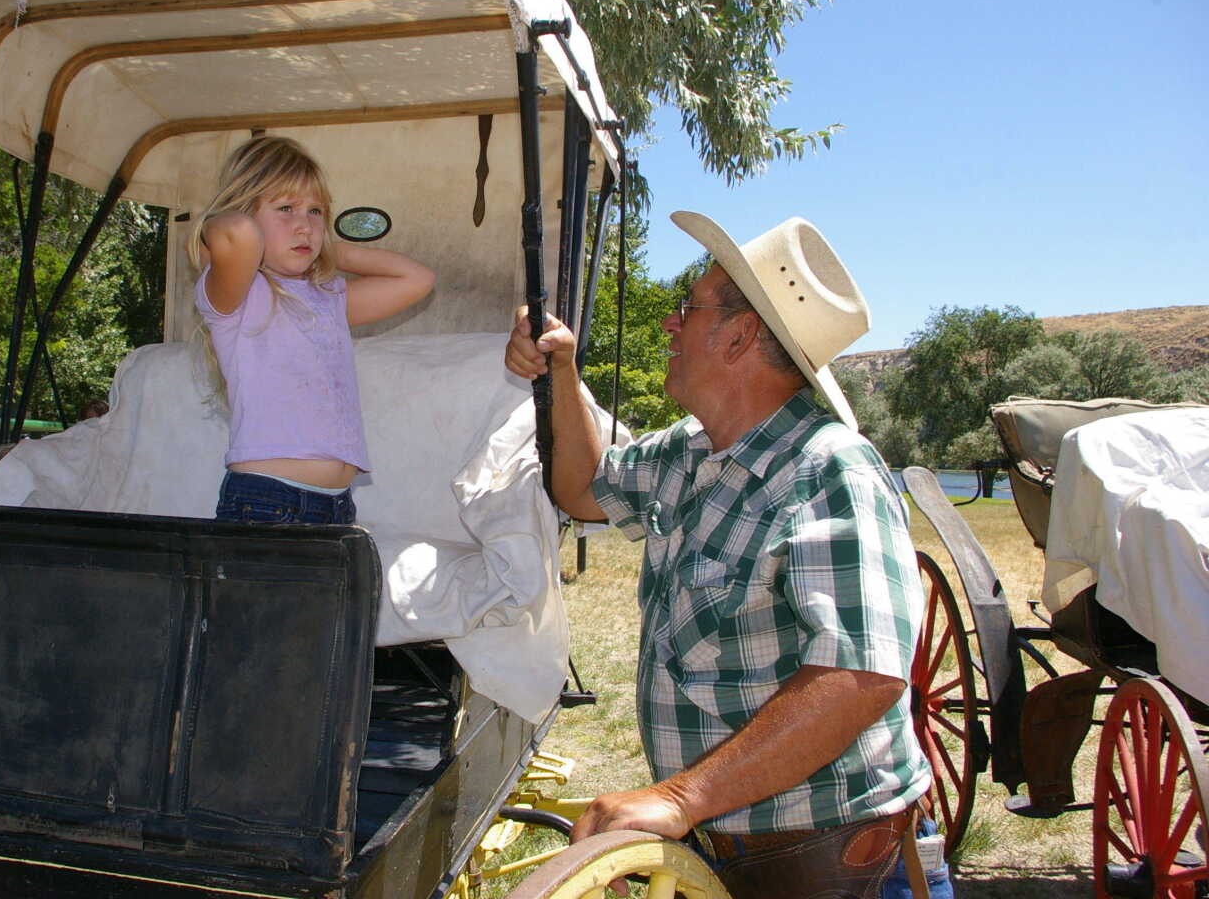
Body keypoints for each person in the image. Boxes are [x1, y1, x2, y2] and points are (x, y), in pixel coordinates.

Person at [504, 212, 941, 899]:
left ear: (739, 336)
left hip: (833, 871)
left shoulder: (830, 470)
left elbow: (861, 675)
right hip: (735, 856)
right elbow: (584, 490)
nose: (669, 323)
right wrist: (562, 370)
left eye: (689, 308)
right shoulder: (689, 450)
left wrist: (681, 798)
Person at [189, 135, 434, 524]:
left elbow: (418, 279)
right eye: (285, 208)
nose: (304, 226)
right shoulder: (238, 295)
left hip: (337, 503)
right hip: (266, 499)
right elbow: (236, 232)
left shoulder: (328, 297)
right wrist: (227, 221)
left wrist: (328, 248)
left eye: (316, 211)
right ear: (245, 211)